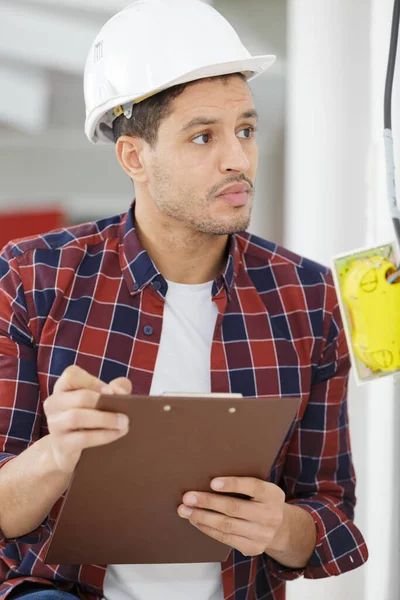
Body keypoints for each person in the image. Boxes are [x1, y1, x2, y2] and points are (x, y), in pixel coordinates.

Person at [0, 1, 368, 599]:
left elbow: (330, 520)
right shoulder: (33, 278)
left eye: (245, 130)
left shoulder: (307, 296)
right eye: (203, 136)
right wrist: (58, 452)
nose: (238, 159)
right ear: (134, 157)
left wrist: (278, 527)